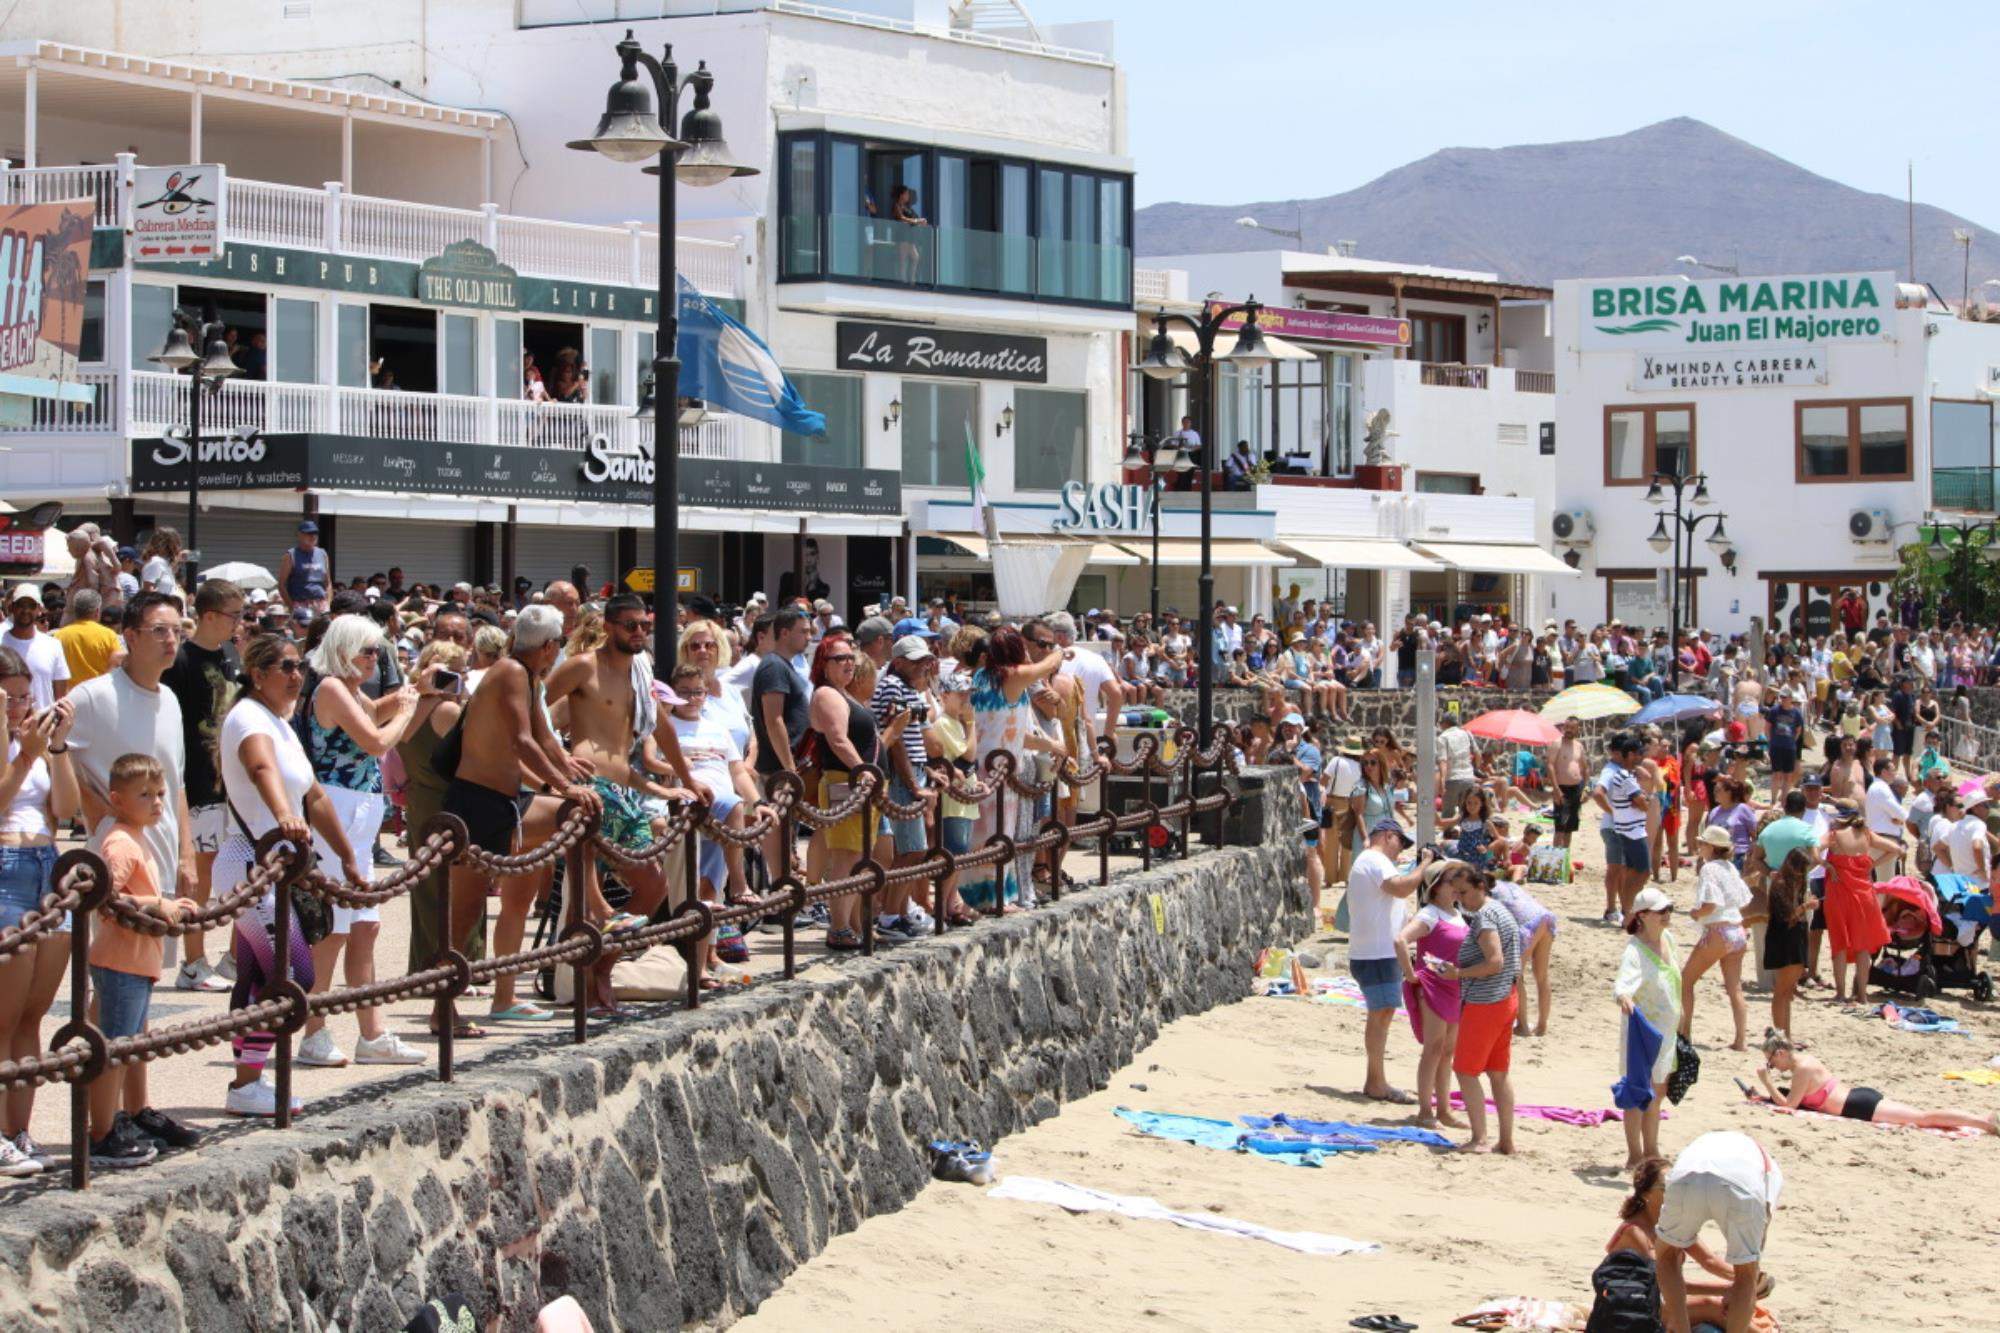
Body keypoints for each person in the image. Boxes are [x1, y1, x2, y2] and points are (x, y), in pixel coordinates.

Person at [62, 591, 200, 1157]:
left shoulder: (170, 698)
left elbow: (177, 781)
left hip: (159, 859)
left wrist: (187, 852)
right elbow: (56, 746)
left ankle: (136, 1110)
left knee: (140, 1000)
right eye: (160, 630)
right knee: (115, 1001)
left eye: (177, 630)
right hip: (118, 866)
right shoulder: (94, 695)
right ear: (132, 636)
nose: (171, 640)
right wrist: (97, 811)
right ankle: (104, 1123)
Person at [214, 633, 365, 1117]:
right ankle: (247, 1083)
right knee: (291, 972)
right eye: (286, 667)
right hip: (252, 860)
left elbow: (314, 794)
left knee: (263, 973)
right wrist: (284, 817)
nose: (297, 676)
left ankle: (248, 1081)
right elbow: (260, 768)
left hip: (279, 862)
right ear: (258, 675)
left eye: (300, 666)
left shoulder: (281, 722)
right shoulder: (248, 718)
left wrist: (346, 854)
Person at [438, 606, 600, 1036]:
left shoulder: (528, 677)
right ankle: (442, 1008)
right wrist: (563, 785)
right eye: (557, 644)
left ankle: (593, 909)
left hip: (507, 801)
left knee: (575, 815)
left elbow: (544, 736)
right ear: (547, 646)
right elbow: (522, 741)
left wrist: (567, 769)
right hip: (476, 804)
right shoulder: (510, 672)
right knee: (464, 914)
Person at [543, 594, 704, 1007]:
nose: (639, 633)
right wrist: (559, 759)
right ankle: (583, 986)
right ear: (609, 626)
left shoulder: (640, 672)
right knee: (587, 899)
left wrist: (686, 782)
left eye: (644, 626)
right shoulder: (583, 666)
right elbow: (533, 710)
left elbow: (663, 730)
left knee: (654, 885)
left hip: (625, 791)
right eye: (630, 625)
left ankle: (604, 963)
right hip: (592, 787)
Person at [87, 753, 202, 1167]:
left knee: (132, 1046)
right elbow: (106, 898)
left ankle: (130, 1117)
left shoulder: (138, 838)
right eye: (144, 795)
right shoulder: (120, 843)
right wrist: (156, 903)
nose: (156, 803)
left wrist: (169, 905)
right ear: (117, 799)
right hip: (121, 962)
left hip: (136, 962)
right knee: (115, 1050)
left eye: (159, 794)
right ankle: (101, 1133)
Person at [0, 648, 79, 1175]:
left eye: (25, 696)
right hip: (6, 864)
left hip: (46, 863)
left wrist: (56, 746)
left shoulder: (37, 742)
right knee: (2, 1017)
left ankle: (18, 1130)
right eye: (8, 697)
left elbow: (67, 810)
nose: (18, 707)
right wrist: (24, 755)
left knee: (33, 1014)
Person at [160, 579, 246, 995]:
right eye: (234, 615)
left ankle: (234, 957)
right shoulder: (180, 660)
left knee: (237, 868)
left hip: (230, 781)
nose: (239, 623)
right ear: (210, 616)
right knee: (200, 872)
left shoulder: (231, 655)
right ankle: (193, 962)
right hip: (196, 781)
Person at [960, 626, 1067, 915]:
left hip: (984, 764)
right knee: (999, 834)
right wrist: (1058, 650)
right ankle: (994, 898)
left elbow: (1015, 731)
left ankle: (976, 896)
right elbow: (1049, 664)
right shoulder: (1012, 676)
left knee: (981, 836)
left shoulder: (981, 677)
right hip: (999, 772)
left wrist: (1051, 745)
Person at [1607, 1157, 1777, 1332]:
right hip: (1633, 1305)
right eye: (1666, 1188)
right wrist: (1729, 1288)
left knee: (1736, 1302)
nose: (1676, 1193)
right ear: (1646, 1194)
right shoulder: (1634, 1232)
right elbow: (1663, 1282)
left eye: (1679, 1186)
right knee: (1711, 1305)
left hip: (1660, 1300)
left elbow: (1709, 1260)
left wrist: (1749, 1278)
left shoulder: (1672, 1224)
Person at [1755, 1028, 1995, 1134]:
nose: (1772, 1067)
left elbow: (1790, 1106)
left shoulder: (1802, 1069)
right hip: (1857, 1099)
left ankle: (1984, 1123)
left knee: (1923, 1118)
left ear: (1780, 1053)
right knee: (1921, 1117)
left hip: (1859, 1105)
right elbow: (1796, 1099)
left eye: (1771, 1061)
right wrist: (1764, 1096)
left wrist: (1767, 1083)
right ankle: (1982, 1121)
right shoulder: (1804, 1062)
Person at [1436, 868, 1521, 1153]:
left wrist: (1458, 973)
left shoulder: (1485, 916)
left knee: (1465, 1070)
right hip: (1506, 998)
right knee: (1498, 1072)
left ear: (1480, 886)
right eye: (1456, 894)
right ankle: (1506, 1141)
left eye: (1463, 892)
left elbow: (1494, 962)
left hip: (1486, 1002)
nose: (1460, 900)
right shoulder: (1500, 910)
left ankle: (1480, 1138)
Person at [806, 634, 882, 950]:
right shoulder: (826, 694)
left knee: (858, 856)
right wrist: (863, 771)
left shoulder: (843, 693)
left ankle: (852, 924)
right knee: (846, 857)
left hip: (860, 785)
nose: (849, 663)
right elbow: (838, 739)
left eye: (851, 657)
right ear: (824, 664)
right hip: (845, 783)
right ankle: (838, 928)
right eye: (840, 658)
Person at [1349, 820, 1428, 1104]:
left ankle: (1375, 1080)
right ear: (1388, 836)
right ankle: (1376, 1082)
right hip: (1376, 953)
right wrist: (1424, 865)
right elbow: (1401, 888)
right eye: (1400, 843)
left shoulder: (1372, 861)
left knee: (1382, 1015)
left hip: (1377, 952)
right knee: (1380, 1016)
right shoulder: (1374, 859)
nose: (1400, 850)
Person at [1395, 858, 1468, 1128]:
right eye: (1451, 881)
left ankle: (1444, 1109)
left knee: (1448, 1051)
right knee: (1433, 1049)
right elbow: (1400, 940)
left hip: (1454, 987)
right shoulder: (1430, 914)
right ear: (1436, 886)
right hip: (1434, 988)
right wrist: (1411, 975)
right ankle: (1425, 1110)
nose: (1457, 886)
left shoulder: (1457, 913)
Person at [1616, 886, 1682, 1168]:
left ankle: (1652, 1151)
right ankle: (1634, 1155)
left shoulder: (1669, 938)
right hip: (1643, 1034)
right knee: (1637, 1093)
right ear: (1642, 916)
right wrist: (1623, 997)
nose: (1667, 914)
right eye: (1660, 911)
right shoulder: (1635, 950)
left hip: (1667, 1034)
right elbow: (1622, 984)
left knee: (1658, 1093)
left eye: (1669, 909)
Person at [1685, 825, 1752, 1052]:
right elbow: (1743, 899)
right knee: (1735, 989)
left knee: (1686, 981)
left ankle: (1684, 1033)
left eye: (1702, 843)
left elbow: (1711, 904)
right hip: (1738, 931)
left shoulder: (1709, 869)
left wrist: (1696, 913)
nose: (1699, 847)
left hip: (1719, 931)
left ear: (1711, 847)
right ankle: (1741, 1040)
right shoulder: (1730, 867)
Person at [1821, 807, 1897, 1003]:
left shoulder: (1834, 836)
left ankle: (1840, 993)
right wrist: (1873, 864)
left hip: (1839, 893)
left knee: (1840, 942)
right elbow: (1896, 849)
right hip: (1864, 895)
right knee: (1863, 945)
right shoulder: (1866, 834)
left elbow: (1812, 849)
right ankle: (1862, 995)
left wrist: (1826, 864)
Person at [1594, 731, 1654, 925]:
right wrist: (1614, 812)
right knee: (1619, 870)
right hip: (1618, 827)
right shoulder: (1613, 772)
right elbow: (1598, 793)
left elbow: (1645, 791)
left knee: (1626, 871)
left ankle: (1624, 911)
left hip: (1621, 827)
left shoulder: (1624, 772)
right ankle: (1616, 910)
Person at [1488, 874, 1557, 1037]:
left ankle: (1523, 1026)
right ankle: (1542, 1025)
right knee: (1542, 976)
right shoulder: (1508, 885)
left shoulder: (1488, 895)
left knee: (1516, 975)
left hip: (1526, 924)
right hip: (1545, 917)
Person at [3, 585, 69, 709]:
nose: (26, 610)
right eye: (21, 605)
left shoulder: (53, 645)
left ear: (39, 609)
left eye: (31, 606)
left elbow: (61, 696)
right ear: (12, 607)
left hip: (43, 719)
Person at [51, 588, 123, 689]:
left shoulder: (59, 636)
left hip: (69, 695)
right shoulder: (109, 635)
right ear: (97, 611)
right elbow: (117, 663)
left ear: (75, 610)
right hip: (98, 692)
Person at [278, 521, 331, 617]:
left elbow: (328, 583)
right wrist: (291, 607)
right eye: (309, 533)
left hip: (321, 603)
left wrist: (328, 603)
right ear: (299, 535)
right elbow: (281, 585)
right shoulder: (290, 555)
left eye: (315, 533)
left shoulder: (323, 554)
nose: (313, 536)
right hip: (300, 603)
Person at [1549, 717, 1587, 851]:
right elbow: (1550, 766)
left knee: (1570, 827)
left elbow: (1585, 768)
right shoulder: (1557, 744)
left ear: (1577, 729)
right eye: (1567, 727)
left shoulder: (1579, 746)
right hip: (1562, 789)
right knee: (1560, 826)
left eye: (1572, 728)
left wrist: (1585, 789)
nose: (1569, 730)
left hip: (1576, 789)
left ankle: (1565, 855)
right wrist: (1556, 789)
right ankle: (1556, 856)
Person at [137, 527, 183, 599]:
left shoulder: (164, 564)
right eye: (177, 544)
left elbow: (157, 584)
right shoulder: (156, 562)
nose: (179, 548)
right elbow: (149, 591)